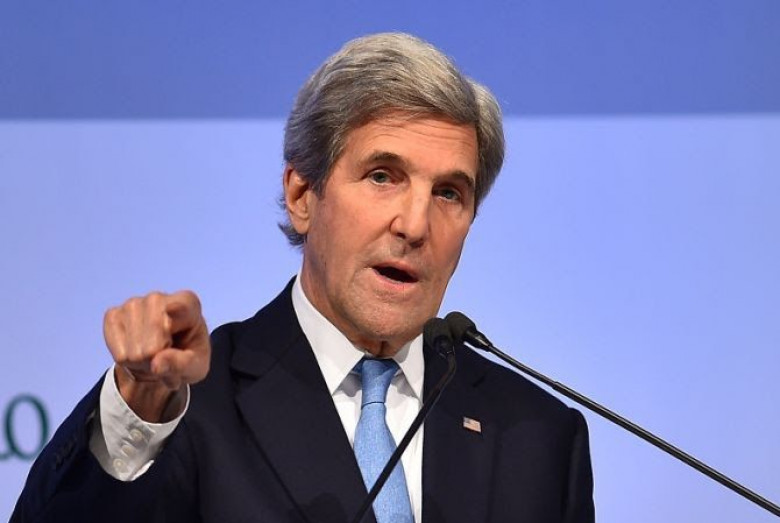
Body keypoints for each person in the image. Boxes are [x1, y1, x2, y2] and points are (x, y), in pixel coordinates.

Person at [12, 33, 594, 522]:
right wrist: (139, 402)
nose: (416, 225)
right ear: (301, 196)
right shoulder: (188, 409)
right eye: (382, 176)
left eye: (448, 193)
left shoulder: (540, 436)